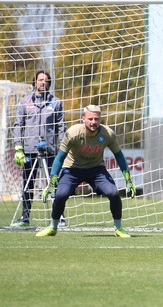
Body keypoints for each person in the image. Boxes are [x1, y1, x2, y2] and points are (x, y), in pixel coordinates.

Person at [36, 105, 136, 238]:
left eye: (96, 119)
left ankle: (118, 228)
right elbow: (60, 158)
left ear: (100, 119)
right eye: (90, 119)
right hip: (72, 169)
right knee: (60, 195)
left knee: (113, 193)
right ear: (83, 119)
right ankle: (53, 227)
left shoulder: (108, 134)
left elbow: (119, 156)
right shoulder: (73, 133)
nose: (93, 122)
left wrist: (128, 180)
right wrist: (52, 181)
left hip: (96, 170)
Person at [11, 70, 66, 227]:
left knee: (54, 183)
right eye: (40, 80)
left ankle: (60, 217)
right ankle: (25, 217)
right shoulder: (24, 102)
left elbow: (61, 126)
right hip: (29, 150)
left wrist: (62, 146)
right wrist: (18, 147)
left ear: (49, 83)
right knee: (28, 184)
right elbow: (18, 125)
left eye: (46, 80)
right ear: (35, 82)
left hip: (49, 151)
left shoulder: (56, 103)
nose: (43, 83)